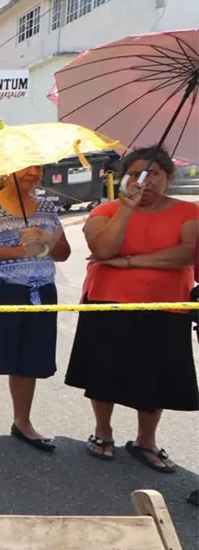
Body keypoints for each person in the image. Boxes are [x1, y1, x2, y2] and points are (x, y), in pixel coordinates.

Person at [66, 146, 199, 472]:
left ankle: (145, 440)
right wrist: (126, 210)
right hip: (107, 301)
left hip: (166, 305)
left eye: (155, 173)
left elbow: (182, 256)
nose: (147, 180)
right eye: (138, 173)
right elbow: (102, 247)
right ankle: (103, 431)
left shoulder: (189, 213)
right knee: (103, 372)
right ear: (124, 177)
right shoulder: (107, 210)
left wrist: (124, 261)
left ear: (168, 177)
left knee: (156, 378)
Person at [0, 167, 70, 451]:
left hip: (40, 290)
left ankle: (22, 421)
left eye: (38, 168)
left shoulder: (47, 207)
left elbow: (63, 253)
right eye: (27, 167)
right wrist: (19, 251)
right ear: (9, 170)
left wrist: (45, 238)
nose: (33, 173)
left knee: (30, 359)